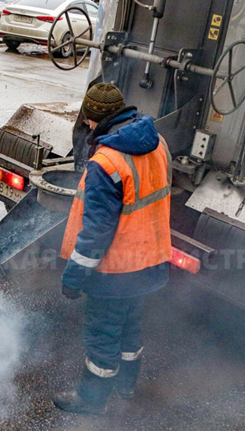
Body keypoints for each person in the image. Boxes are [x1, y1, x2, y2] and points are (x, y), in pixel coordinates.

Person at [54, 83, 172, 414]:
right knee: (130, 328)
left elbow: (96, 232)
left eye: (88, 121)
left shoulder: (105, 163)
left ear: (94, 119)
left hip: (116, 271)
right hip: (149, 261)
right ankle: (126, 387)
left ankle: (90, 402)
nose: (88, 127)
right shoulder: (158, 143)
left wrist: (73, 277)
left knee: (103, 334)